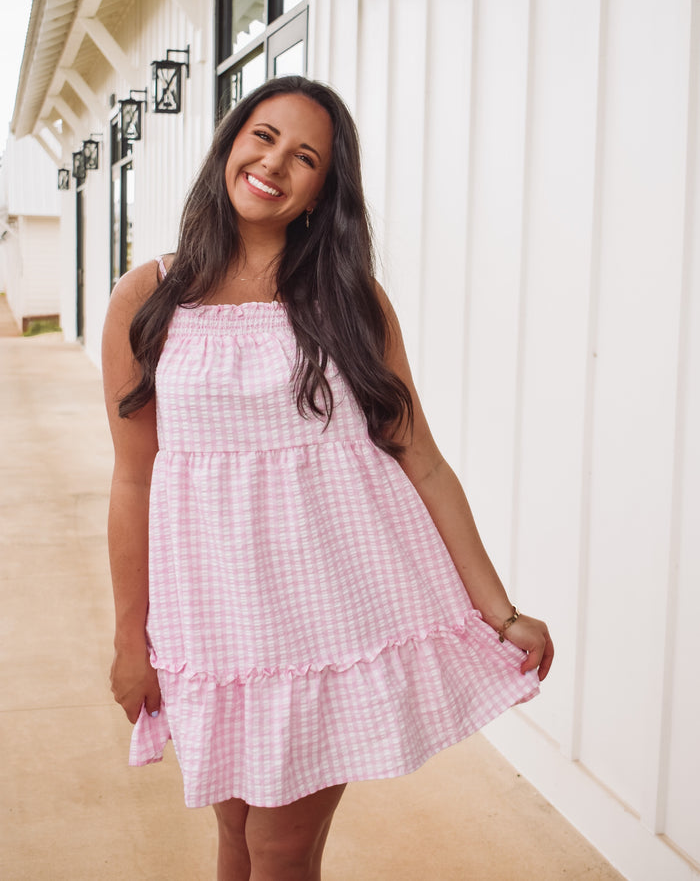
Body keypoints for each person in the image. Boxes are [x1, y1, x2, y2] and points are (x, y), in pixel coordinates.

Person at [102, 74, 553, 881]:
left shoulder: (347, 299)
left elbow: (423, 459)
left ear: (320, 193)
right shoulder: (150, 295)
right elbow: (134, 480)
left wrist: (502, 611)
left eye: (305, 157)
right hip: (216, 624)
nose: (274, 162)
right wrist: (129, 640)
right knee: (238, 844)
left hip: (326, 619)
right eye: (263, 135)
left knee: (280, 849)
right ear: (231, 143)